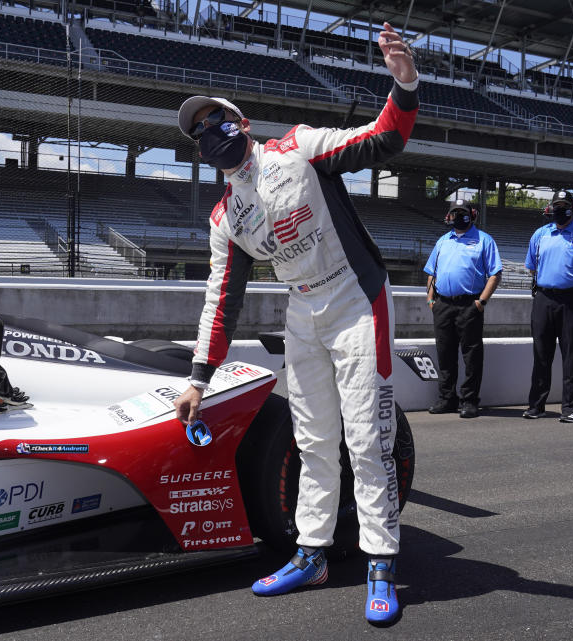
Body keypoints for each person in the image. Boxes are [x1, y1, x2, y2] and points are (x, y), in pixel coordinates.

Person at [172, 22, 417, 625]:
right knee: (312, 441)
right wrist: (199, 377)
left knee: (366, 437)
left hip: (357, 298)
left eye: (216, 121)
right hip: (304, 309)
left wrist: (405, 83)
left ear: (243, 124)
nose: (209, 133)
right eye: (197, 131)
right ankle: (313, 552)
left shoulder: (299, 147)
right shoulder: (226, 216)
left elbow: (381, 140)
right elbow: (220, 298)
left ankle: (381, 562)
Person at [523, 190, 573, 423]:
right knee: (541, 354)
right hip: (544, 299)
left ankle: (570, 408)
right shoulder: (540, 234)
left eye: (563, 205)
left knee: (571, 356)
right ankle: (536, 405)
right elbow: (531, 267)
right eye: (556, 205)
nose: (559, 209)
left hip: (572, 301)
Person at [424, 198, 502, 419]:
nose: (458, 216)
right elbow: (432, 271)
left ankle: (469, 400)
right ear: (449, 215)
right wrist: (431, 299)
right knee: (445, 353)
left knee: (471, 355)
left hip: (469, 305)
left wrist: (481, 302)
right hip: (443, 304)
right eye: (454, 212)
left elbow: (495, 273)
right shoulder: (442, 242)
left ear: (472, 214)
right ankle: (447, 398)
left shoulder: (484, 240)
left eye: (462, 212)